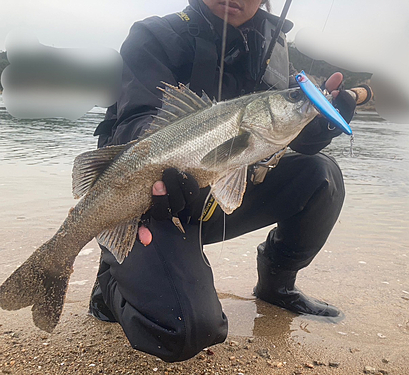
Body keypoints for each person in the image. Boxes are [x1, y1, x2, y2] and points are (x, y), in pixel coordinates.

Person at [90, 0, 356, 363]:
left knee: (321, 175)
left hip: (219, 193)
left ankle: (277, 286)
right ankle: (111, 281)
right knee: (184, 330)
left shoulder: (273, 47)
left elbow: (289, 139)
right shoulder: (155, 36)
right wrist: (169, 165)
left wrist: (322, 118)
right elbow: (137, 119)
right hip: (152, 202)